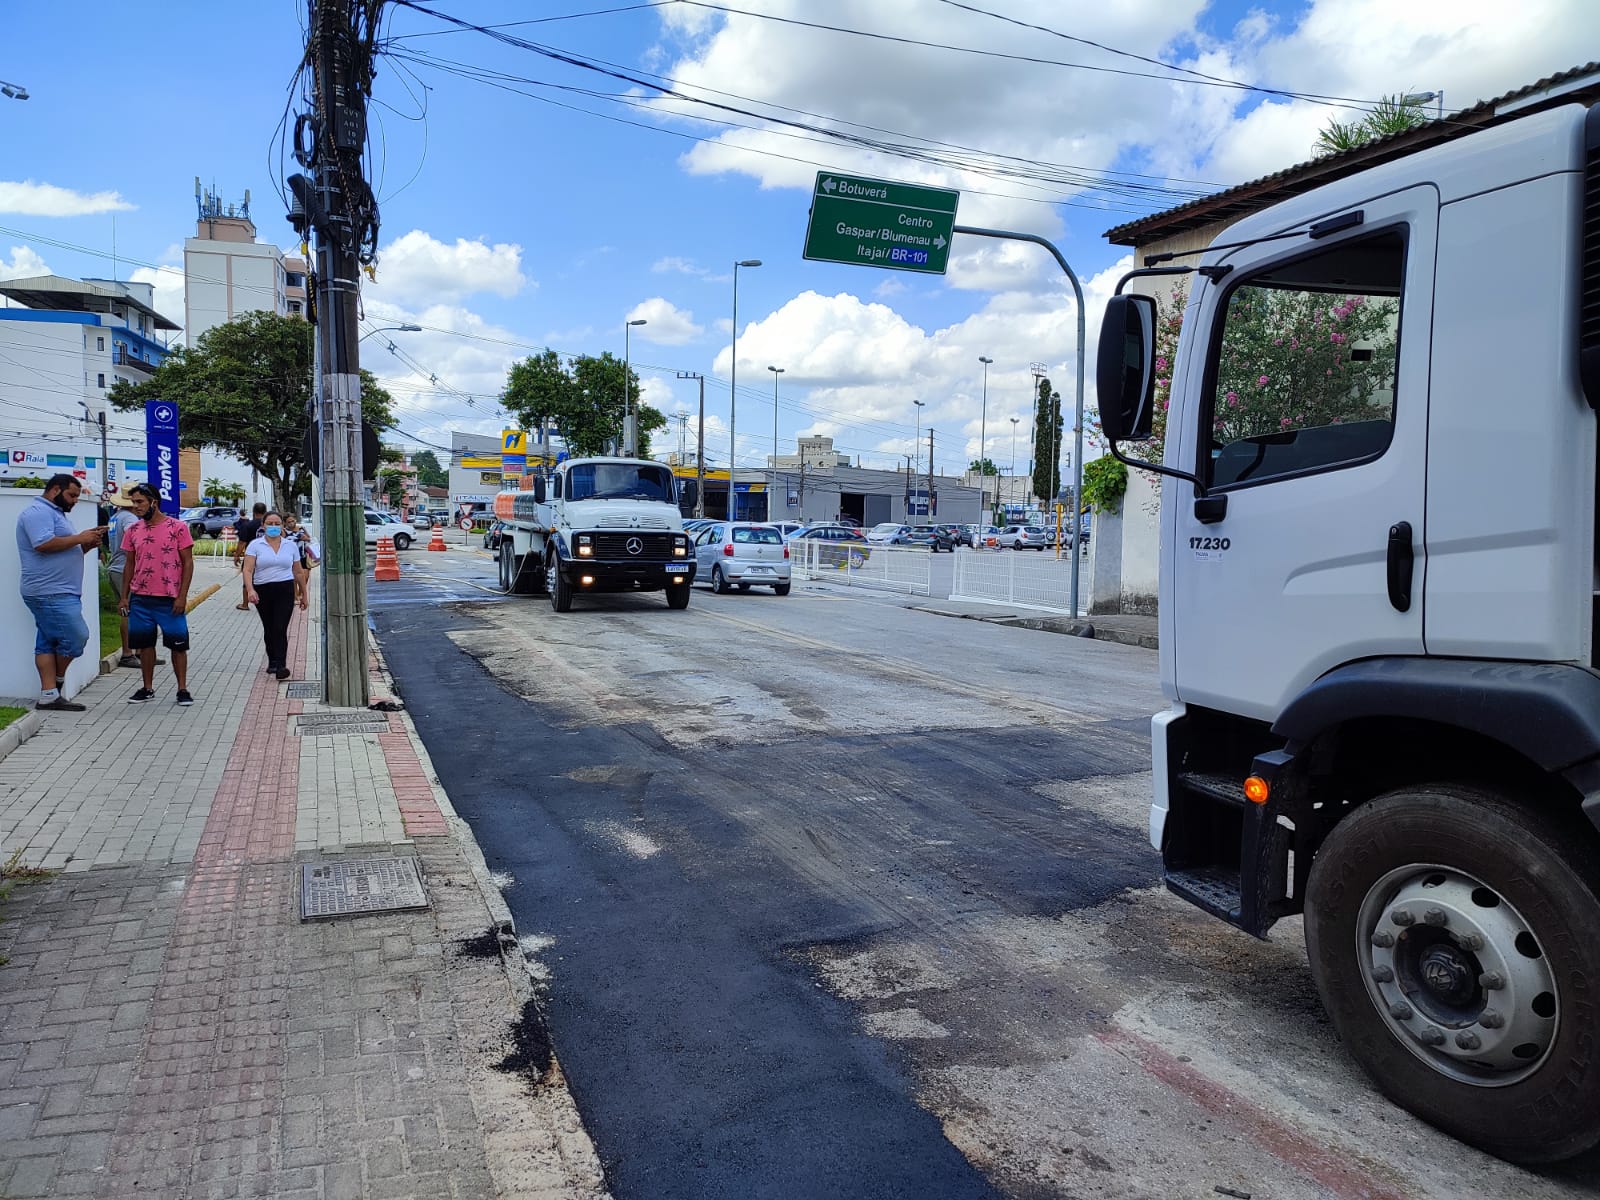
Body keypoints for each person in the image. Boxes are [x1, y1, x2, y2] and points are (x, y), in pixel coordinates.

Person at [15, 473, 105, 711]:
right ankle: (56, 682)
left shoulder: (54, 514)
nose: (75, 501)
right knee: (76, 637)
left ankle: (48, 695)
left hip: (59, 590)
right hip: (49, 591)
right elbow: (42, 545)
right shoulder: (37, 512)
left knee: (47, 642)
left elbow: (63, 549)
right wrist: (79, 537)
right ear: (55, 489)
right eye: (72, 495)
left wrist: (84, 545)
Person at [118, 482, 195, 706]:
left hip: (170, 598)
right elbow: (129, 565)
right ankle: (147, 687)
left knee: (178, 645)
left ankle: (182, 689)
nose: (136, 507)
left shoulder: (178, 527)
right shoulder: (132, 530)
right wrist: (124, 596)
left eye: (140, 502)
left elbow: (188, 563)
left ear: (154, 502)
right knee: (144, 644)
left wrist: (182, 596)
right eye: (133, 503)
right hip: (141, 598)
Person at [242, 510, 307, 681]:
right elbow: (247, 569)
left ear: (282, 525)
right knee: (269, 627)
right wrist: (250, 590)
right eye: (269, 523)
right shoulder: (255, 545)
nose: (273, 527)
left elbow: (298, 572)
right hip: (262, 589)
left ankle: (281, 665)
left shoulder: (290, 545)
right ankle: (272, 660)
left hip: (285, 589)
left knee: (280, 628)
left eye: (277, 523)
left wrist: (304, 594)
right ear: (263, 525)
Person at [104, 490, 162, 670]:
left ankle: (139, 651)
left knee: (132, 611)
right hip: (125, 569)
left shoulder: (116, 517)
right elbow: (139, 541)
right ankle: (128, 654)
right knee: (128, 611)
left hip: (116, 565)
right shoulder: (129, 519)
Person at [233, 502, 266, 609]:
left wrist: (237, 555)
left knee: (247, 579)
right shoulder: (268, 526)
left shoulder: (247, 525)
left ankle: (245, 604)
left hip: (250, 557)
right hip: (266, 556)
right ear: (265, 512)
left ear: (254, 511)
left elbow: (242, 542)